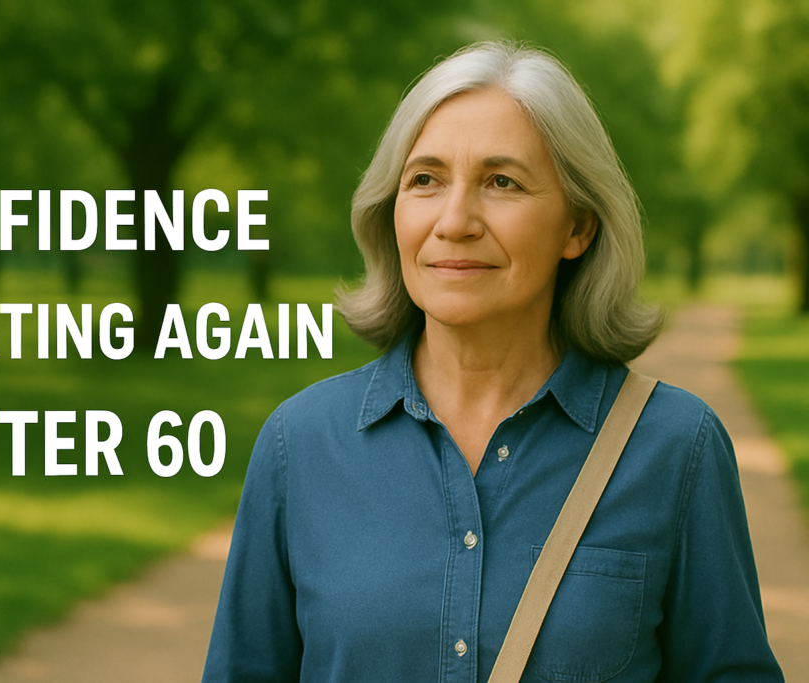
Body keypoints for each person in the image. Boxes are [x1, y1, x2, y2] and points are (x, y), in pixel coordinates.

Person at [202, 41, 783, 682]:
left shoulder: (677, 448)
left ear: (578, 228)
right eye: (424, 180)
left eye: (501, 182)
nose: (454, 221)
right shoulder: (300, 444)